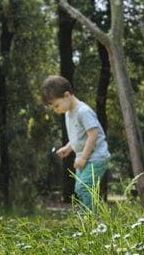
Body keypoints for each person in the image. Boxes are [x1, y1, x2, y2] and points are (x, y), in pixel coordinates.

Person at [42, 75, 110, 212]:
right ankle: (89, 219)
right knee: (80, 190)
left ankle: (96, 220)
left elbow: (93, 135)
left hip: (96, 157)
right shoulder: (69, 113)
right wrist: (68, 147)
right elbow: (79, 135)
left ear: (67, 95)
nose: (56, 110)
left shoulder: (83, 111)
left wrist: (83, 158)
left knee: (83, 187)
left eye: (56, 105)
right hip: (84, 157)